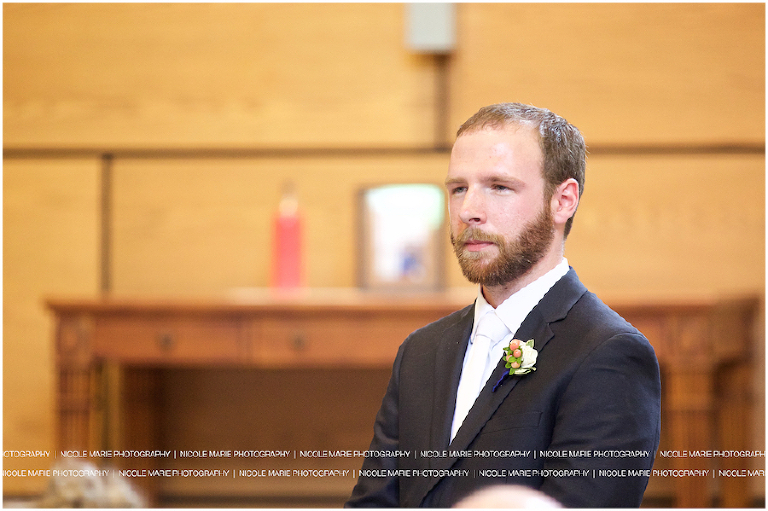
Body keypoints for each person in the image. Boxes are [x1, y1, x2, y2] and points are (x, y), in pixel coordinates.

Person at [345, 103, 661, 508]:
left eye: (499, 186)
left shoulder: (609, 353)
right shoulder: (421, 351)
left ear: (563, 200)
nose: (468, 211)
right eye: (458, 188)